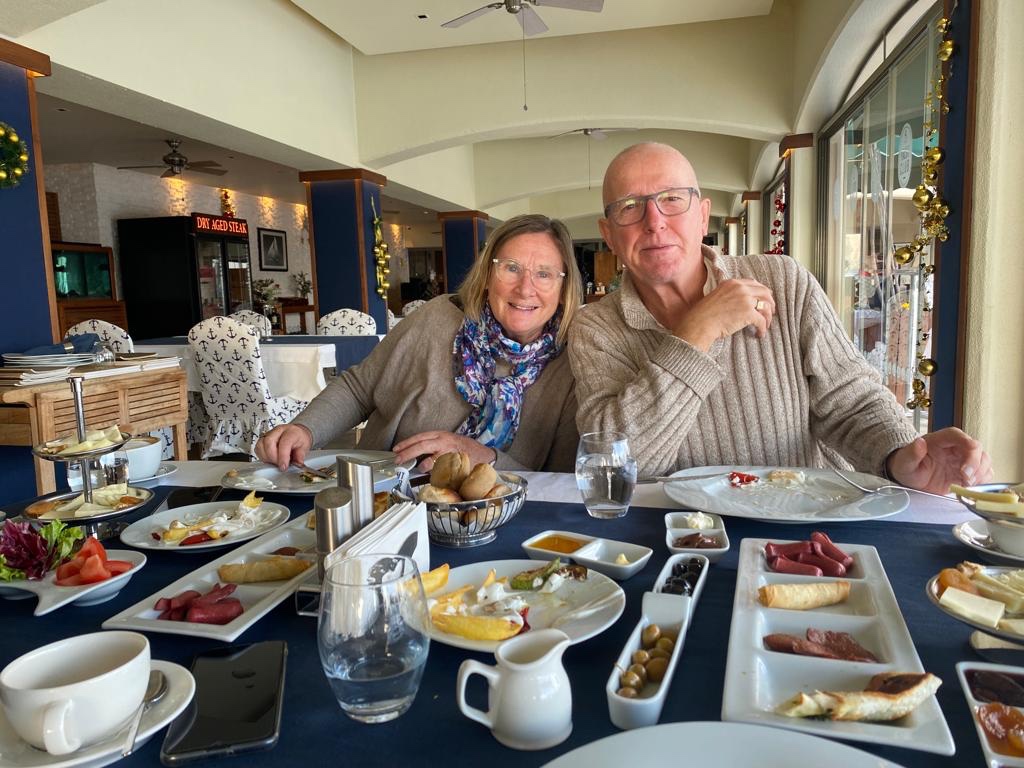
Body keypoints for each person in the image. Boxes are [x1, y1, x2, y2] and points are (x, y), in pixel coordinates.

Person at [568, 142, 991, 493]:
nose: (654, 222)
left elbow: (850, 401)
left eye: (672, 199)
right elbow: (615, 464)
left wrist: (902, 456)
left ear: (702, 215)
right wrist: (698, 331)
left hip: (804, 525)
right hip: (679, 536)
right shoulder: (596, 328)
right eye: (629, 207)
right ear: (609, 235)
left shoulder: (783, 280)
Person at [256, 214, 583, 473]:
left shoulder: (573, 362)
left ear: (564, 287)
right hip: (386, 496)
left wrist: (485, 458)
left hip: (504, 515)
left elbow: (563, 479)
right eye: (511, 268)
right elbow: (359, 388)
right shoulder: (437, 317)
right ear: (487, 275)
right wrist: (305, 429)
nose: (525, 288)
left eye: (544, 274)